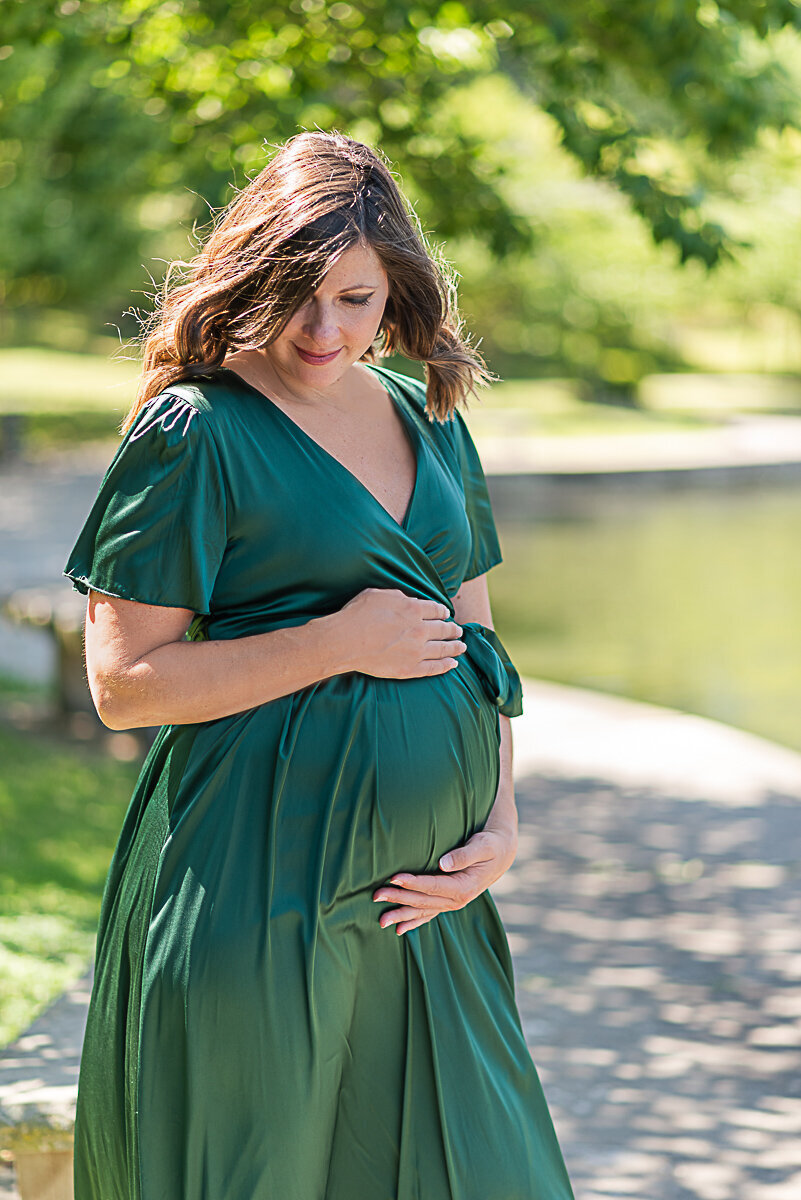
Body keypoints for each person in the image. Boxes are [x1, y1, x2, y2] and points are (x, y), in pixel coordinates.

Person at [64, 130, 574, 1200]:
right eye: (298, 294)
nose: (322, 328)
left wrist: (502, 827)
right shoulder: (194, 431)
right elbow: (124, 686)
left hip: (427, 909)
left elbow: (481, 648)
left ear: (396, 293)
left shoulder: (427, 415)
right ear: (250, 278)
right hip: (257, 887)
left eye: (353, 297)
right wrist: (337, 642)